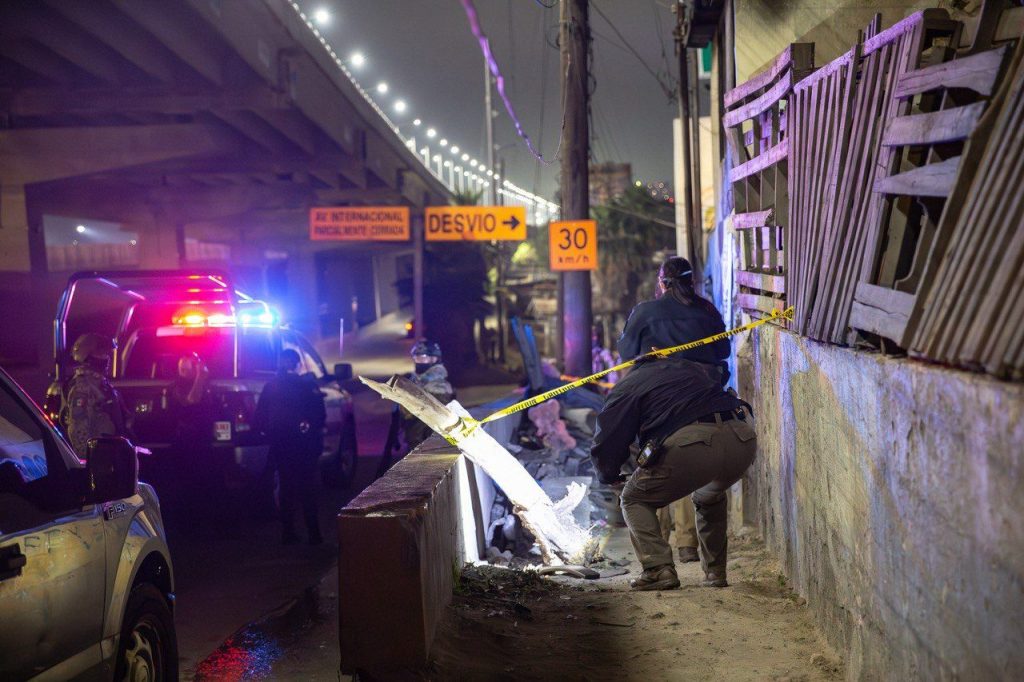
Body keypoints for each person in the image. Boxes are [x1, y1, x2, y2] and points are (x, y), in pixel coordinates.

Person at [590, 355, 757, 591]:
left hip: (694, 444)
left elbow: (608, 436)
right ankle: (715, 572)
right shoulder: (692, 367)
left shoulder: (630, 384)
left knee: (633, 498)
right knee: (709, 494)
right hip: (742, 439)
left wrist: (608, 473)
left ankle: (658, 570)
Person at [618, 256, 731, 563]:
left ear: (662, 283)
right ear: (691, 282)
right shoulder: (707, 310)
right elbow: (723, 351)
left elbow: (627, 354)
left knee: (655, 463)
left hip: (661, 400)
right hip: (707, 401)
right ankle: (687, 543)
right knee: (692, 465)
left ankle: (661, 544)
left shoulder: (645, 312)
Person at [254, 349, 326, 545]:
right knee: (307, 489)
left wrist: (267, 434)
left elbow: (259, 418)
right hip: (303, 446)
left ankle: (289, 533)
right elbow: (320, 416)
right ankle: (314, 534)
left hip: (281, 444)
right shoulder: (306, 386)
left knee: (287, 488)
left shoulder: (271, 386)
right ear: (297, 364)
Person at [62, 333, 130, 455]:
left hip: (109, 452)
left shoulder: (101, 384)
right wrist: (88, 464)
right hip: (98, 458)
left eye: (107, 353)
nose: (107, 358)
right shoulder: (82, 388)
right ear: (87, 356)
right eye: (102, 353)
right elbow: (78, 432)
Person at [401, 340, 455, 449]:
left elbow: (433, 424)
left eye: (423, 357)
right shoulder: (414, 381)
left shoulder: (438, 386)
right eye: (416, 357)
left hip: (426, 446)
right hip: (415, 442)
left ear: (434, 359)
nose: (418, 360)